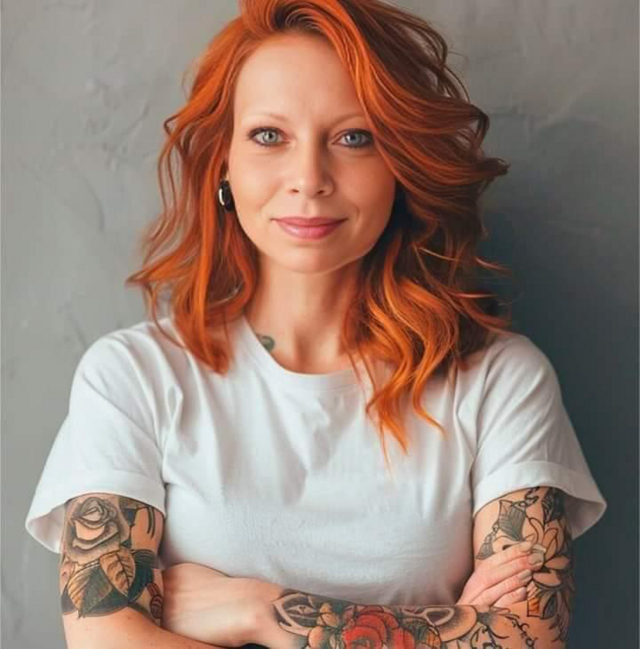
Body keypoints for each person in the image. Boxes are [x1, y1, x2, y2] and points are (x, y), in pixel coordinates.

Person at [25, 1, 607, 647]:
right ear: (223, 160)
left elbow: (528, 637)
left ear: (400, 162)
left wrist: (259, 609)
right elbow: (106, 640)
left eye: (354, 137)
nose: (308, 179)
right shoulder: (133, 376)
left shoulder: (500, 380)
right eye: (269, 136)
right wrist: (456, 634)